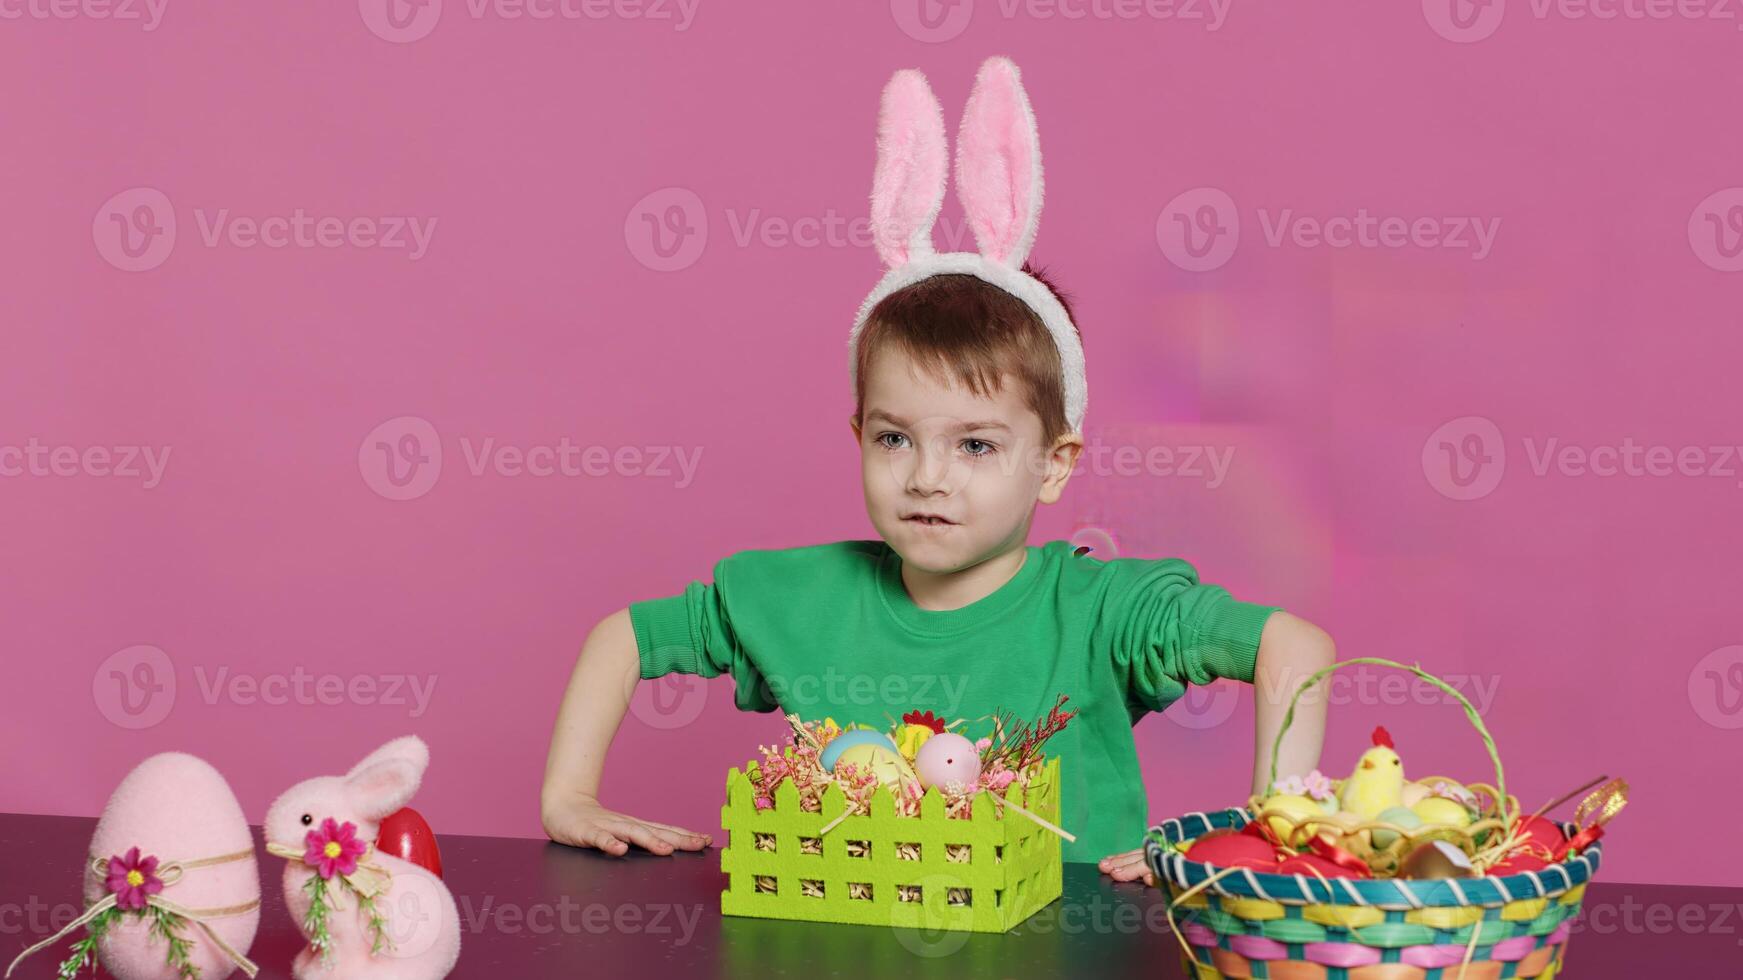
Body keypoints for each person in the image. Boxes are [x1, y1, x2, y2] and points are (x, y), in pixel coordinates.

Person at [541, 57, 1332, 884]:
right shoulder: (802, 600)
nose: (927, 477)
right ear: (858, 436)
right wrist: (568, 795)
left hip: (1068, 945)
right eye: (893, 439)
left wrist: (1262, 836)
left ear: (1053, 464)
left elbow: (1295, 648)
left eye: (976, 446)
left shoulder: (1103, 613)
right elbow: (623, 637)